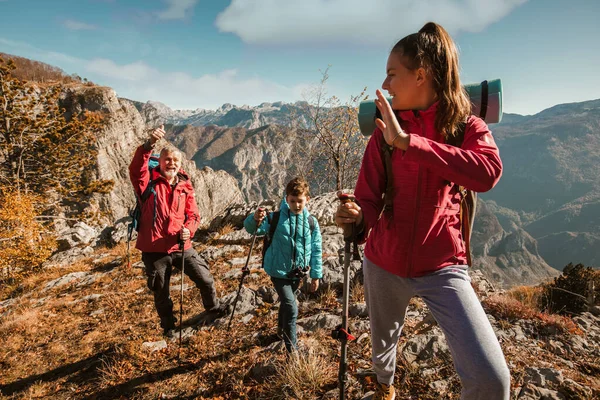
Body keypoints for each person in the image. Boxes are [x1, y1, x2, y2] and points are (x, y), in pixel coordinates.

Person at [334, 22, 511, 400]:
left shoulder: (465, 126)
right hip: (383, 262)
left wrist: (409, 143)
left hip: (443, 267)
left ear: (420, 75)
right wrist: (357, 216)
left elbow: (488, 172)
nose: (385, 83)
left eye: (392, 74)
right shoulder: (382, 134)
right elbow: (368, 196)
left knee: (493, 382)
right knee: (382, 352)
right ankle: (384, 386)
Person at [129, 125, 227, 338]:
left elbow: (194, 216)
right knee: (161, 292)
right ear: (160, 161)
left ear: (180, 163)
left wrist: (188, 231)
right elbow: (136, 168)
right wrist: (148, 145)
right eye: (167, 159)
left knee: (205, 279)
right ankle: (169, 327)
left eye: (175, 160)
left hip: (181, 245)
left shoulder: (185, 185)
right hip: (154, 248)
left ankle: (213, 309)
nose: (171, 163)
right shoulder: (147, 182)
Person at [244, 177, 323, 353]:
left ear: (307, 199)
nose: (296, 205)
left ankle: (280, 331)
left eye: (300, 201)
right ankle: (291, 350)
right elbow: (253, 229)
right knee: (292, 306)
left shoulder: (311, 223)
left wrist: (316, 275)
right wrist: (254, 218)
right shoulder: (275, 218)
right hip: (278, 271)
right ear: (286, 198)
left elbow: (316, 249)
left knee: (287, 303)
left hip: (298, 273)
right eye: (292, 201)